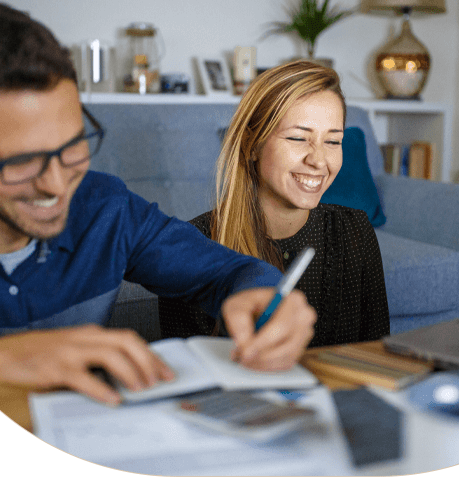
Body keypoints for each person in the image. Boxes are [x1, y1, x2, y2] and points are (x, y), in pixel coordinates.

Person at [0, 2, 316, 406]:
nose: (57, 184)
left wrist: (264, 294)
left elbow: (230, 272)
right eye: (22, 161)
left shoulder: (107, 208)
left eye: (73, 146)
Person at [159, 61, 389, 347]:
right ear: (252, 145)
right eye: (297, 138)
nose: (318, 160)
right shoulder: (193, 246)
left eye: (332, 141)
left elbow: (376, 353)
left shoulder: (355, 230)